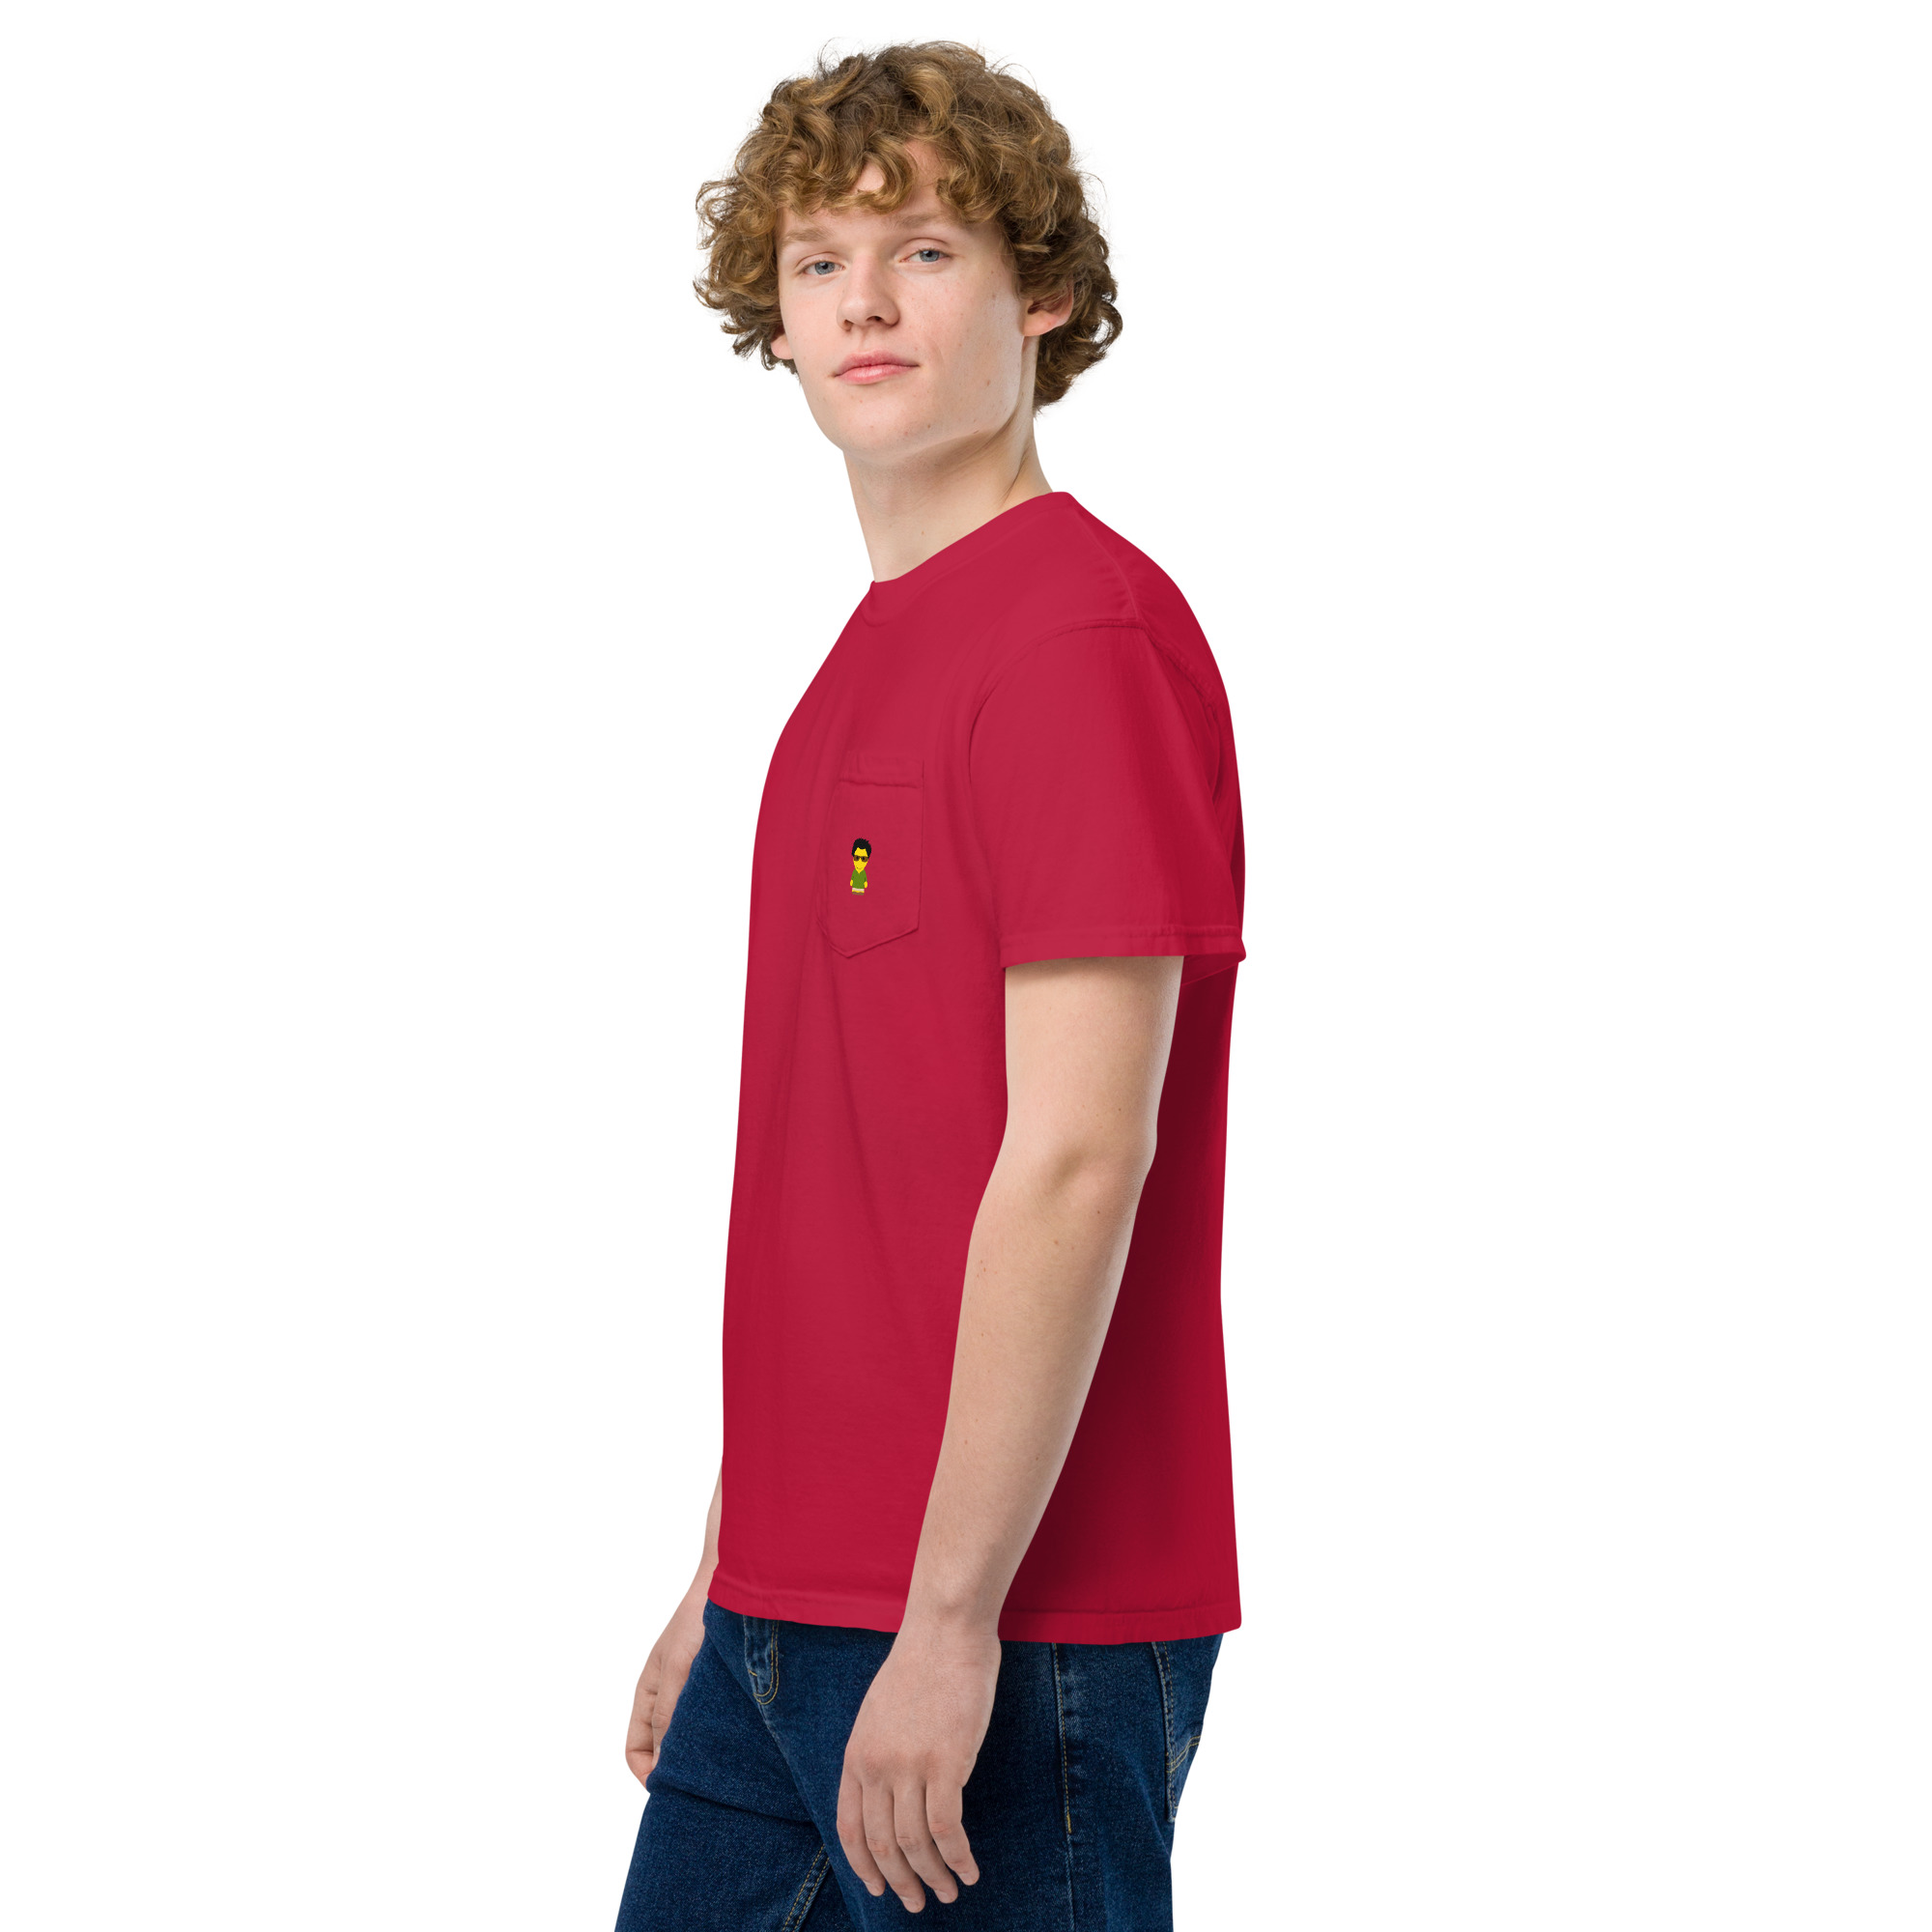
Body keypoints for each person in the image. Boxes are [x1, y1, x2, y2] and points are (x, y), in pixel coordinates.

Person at [615, 43, 1247, 1930]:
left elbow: (1078, 1155)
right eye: (818, 261)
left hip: (1012, 1622)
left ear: (1040, 292)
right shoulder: (864, 665)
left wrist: (951, 1618)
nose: (864, 303)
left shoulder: (1075, 636)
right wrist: (727, 1569)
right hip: (790, 1608)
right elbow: (851, 1179)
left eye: (925, 251)